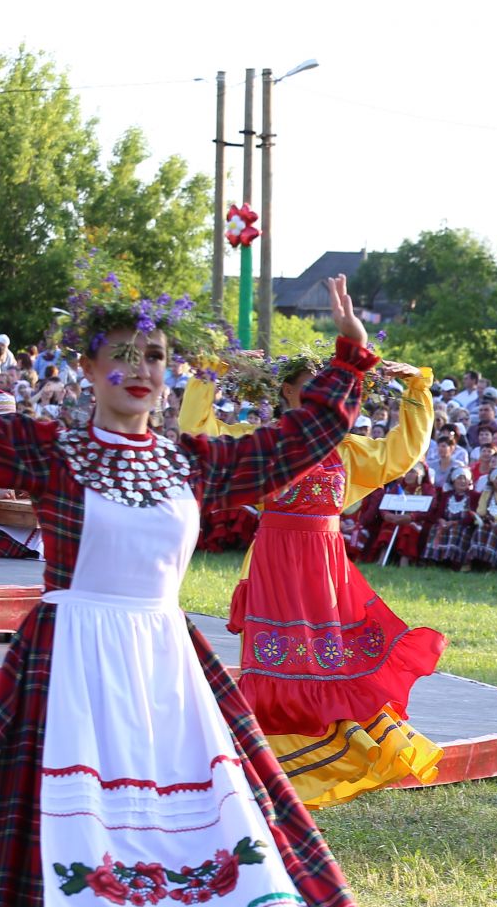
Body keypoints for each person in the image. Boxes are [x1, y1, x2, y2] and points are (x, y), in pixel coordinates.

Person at [0, 273, 378, 907]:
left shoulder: (193, 459)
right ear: (87, 368)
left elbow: (298, 439)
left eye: (156, 356)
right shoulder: (49, 449)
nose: (141, 370)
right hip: (68, 664)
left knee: (150, 848)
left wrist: (349, 359)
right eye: (122, 356)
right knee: (51, 848)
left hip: (163, 669)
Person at [191, 345, 447, 810]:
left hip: (325, 565)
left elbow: (400, 453)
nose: (323, 394)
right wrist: (212, 372)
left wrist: (416, 389)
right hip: (275, 562)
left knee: (330, 661)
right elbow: (202, 435)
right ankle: (264, 769)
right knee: (273, 664)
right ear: (287, 390)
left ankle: (337, 753)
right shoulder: (263, 441)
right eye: (311, 385)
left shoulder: (345, 450)